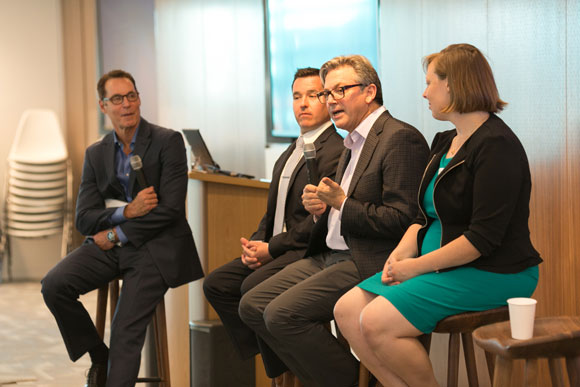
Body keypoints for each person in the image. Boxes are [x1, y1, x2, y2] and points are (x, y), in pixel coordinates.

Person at [334, 43, 543, 387]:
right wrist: (400, 253)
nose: (424, 92)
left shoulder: (496, 146)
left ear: (453, 85)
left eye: (430, 82)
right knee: (346, 310)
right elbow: (422, 216)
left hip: (492, 270)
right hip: (436, 262)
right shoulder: (444, 140)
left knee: (375, 321)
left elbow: (481, 240)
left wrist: (413, 267)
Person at [239, 55, 429, 387]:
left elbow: (403, 220)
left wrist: (341, 203)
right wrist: (322, 210)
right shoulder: (352, 141)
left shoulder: (399, 138)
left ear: (370, 92)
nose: (330, 101)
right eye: (327, 93)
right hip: (329, 254)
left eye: (340, 90)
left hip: (367, 258)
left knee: (281, 314)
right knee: (252, 304)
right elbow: (344, 207)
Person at [41, 69, 204, 387]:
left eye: (131, 96)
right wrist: (124, 213)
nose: (127, 104)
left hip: (157, 247)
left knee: (125, 329)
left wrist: (117, 232)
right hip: (111, 246)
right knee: (54, 285)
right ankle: (98, 356)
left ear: (139, 99)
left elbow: (170, 210)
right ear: (103, 106)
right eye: (117, 99)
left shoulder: (167, 141)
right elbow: (84, 219)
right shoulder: (96, 153)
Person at [203, 67, 344, 382]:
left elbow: (316, 221)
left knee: (250, 290)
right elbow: (274, 211)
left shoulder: (336, 151)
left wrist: (272, 248)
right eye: (296, 96)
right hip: (276, 246)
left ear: (329, 100)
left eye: (313, 95)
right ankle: (284, 357)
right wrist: (255, 244)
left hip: (302, 250)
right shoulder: (291, 151)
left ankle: (290, 362)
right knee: (217, 284)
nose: (303, 104)